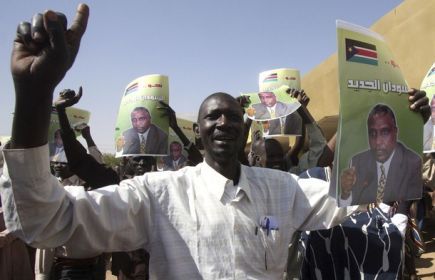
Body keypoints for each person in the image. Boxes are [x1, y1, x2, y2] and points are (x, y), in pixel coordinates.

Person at [0, 5, 429, 279]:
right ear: (199, 133)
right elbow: (47, 222)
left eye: (232, 117)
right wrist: (34, 98)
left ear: (246, 130)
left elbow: (363, 189)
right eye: (212, 116)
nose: (223, 122)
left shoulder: (285, 190)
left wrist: (410, 128)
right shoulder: (157, 196)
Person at [340, 104, 423, 205]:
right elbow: (349, 209)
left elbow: (408, 210)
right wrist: (345, 194)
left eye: (384, 132)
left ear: (395, 132)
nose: (378, 142)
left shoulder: (412, 163)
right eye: (372, 134)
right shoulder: (358, 162)